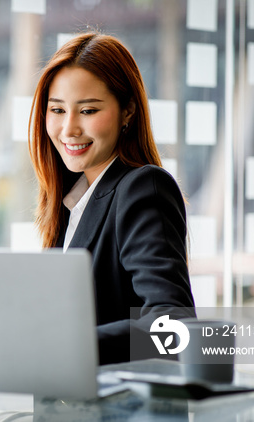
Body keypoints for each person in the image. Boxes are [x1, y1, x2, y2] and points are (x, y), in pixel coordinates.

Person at [28, 31, 196, 365]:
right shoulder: (72, 202)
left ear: (128, 112)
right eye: (57, 110)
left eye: (88, 110)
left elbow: (173, 328)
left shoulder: (143, 187)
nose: (69, 129)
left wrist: (63, 345)